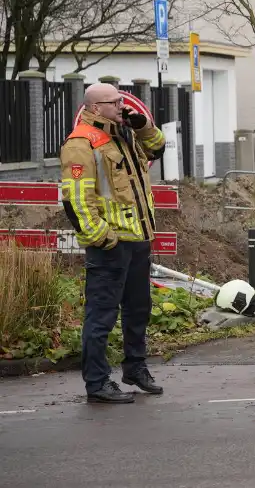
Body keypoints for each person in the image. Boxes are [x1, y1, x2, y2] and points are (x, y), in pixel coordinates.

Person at [60, 83, 167, 403]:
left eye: (122, 100)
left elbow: (158, 149)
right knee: (101, 314)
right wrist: (101, 238)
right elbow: (76, 200)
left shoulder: (127, 132)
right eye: (115, 102)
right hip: (111, 244)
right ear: (94, 108)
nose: (123, 106)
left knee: (138, 310)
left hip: (138, 238)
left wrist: (144, 126)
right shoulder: (81, 143)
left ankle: (135, 367)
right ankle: (97, 381)